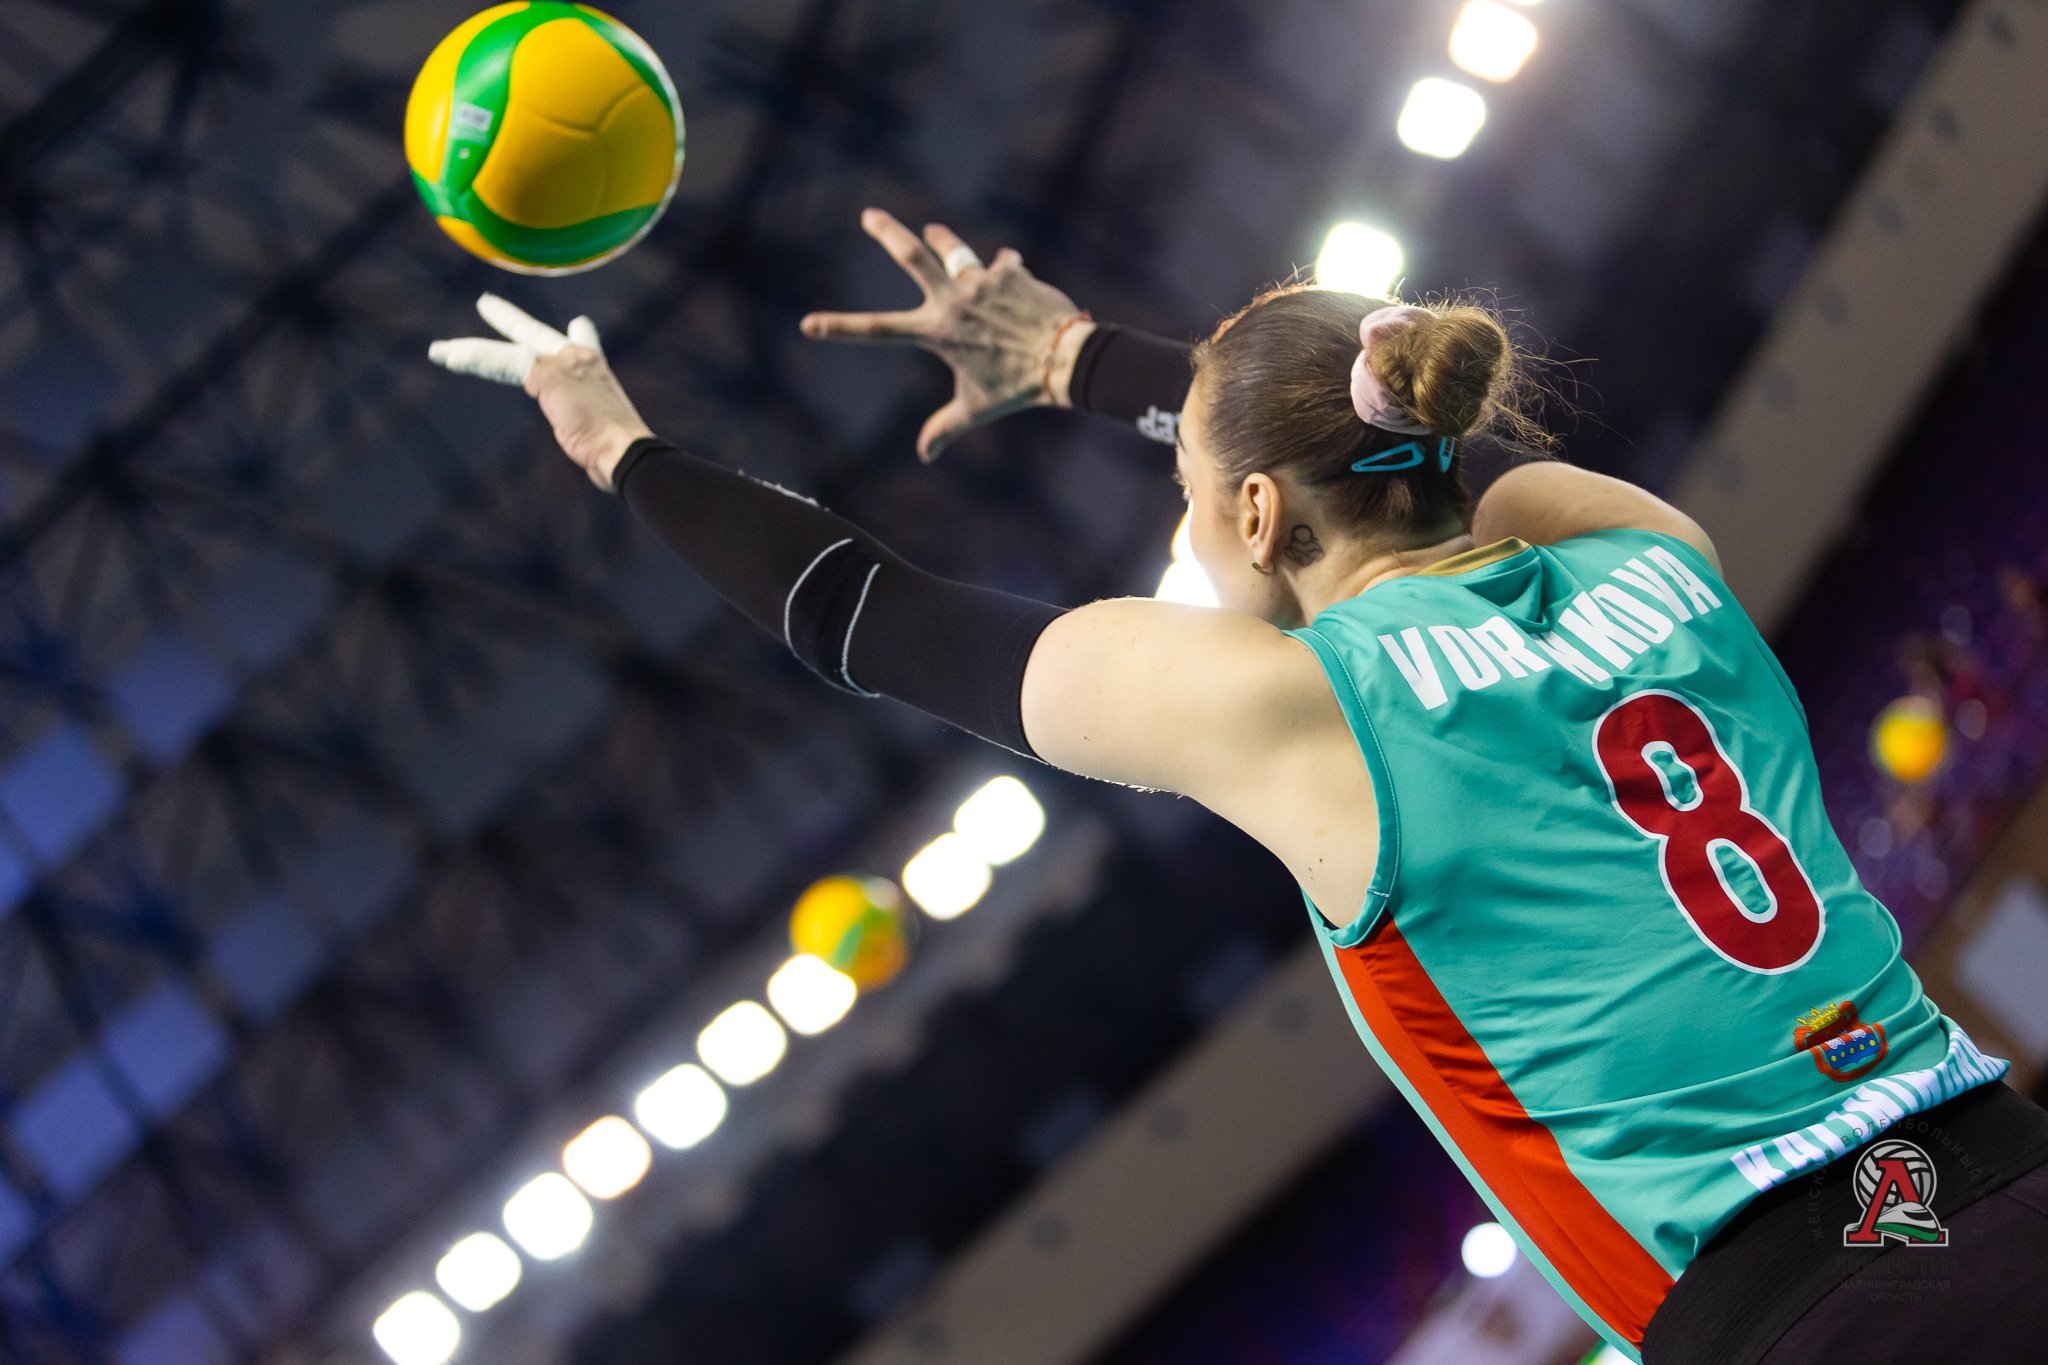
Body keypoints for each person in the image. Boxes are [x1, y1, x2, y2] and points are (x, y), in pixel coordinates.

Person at [429, 208, 2048, 1364]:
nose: (1187, 525)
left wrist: (622, 450)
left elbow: (871, 616)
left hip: (1824, 1313)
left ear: (1258, 517)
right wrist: (1088, 360)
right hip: (1998, 1166)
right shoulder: (1654, 556)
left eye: (1193, 492)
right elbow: (1451, 462)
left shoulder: (1297, 708)